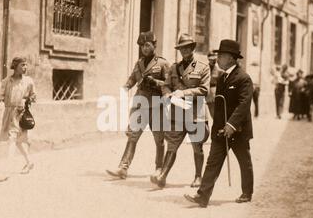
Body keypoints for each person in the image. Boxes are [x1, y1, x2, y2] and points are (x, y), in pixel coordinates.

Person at [184, 39, 254, 207]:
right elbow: (218, 104)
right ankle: (202, 196)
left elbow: (244, 105)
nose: (217, 59)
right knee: (213, 161)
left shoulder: (243, 78)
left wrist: (231, 125)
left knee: (244, 161)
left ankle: (247, 192)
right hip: (221, 130)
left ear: (231, 58)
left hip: (238, 130)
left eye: (221, 56)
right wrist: (219, 127)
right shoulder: (222, 78)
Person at [106, 32, 170, 179]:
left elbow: (169, 85)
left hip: (156, 106)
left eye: (147, 45)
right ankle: (123, 168)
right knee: (133, 136)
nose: (145, 49)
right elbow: (132, 78)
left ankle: (159, 169)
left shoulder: (163, 63)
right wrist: (126, 87)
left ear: (154, 45)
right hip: (140, 104)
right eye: (142, 46)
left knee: (159, 139)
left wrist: (156, 82)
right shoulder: (139, 63)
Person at [150, 34, 210, 189]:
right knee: (172, 145)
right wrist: (167, 94)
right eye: (181, 48)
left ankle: (198, 177)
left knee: (197, 145)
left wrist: (183, 93)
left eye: (187, 48)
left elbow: (204, 89)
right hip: (178, 112)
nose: (184, 51)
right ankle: (163, 176)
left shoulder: (203, 67)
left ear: (192, 48)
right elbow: (166, 85)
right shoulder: (174, 67)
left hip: (196, 113)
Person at [0, 57, 36, 177]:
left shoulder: (29, 81)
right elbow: (0, 96)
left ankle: (6, 171)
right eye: (22, 65)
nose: (25, 67)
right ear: (15, 66)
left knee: (14, 140)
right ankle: (29, 162)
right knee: (16, 141)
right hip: (9, 113)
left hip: (21, 114)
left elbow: (33, 96)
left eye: (26, 65)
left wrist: (26, 100)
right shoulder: (6, 81)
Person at [206, 51, 221, 119]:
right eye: (212, 59)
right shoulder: (205, 68)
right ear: (208, 59)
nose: (213, 61)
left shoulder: (219, 70)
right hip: (207, 94)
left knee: (216, 114)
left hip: (216, 93)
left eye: (215, 59)